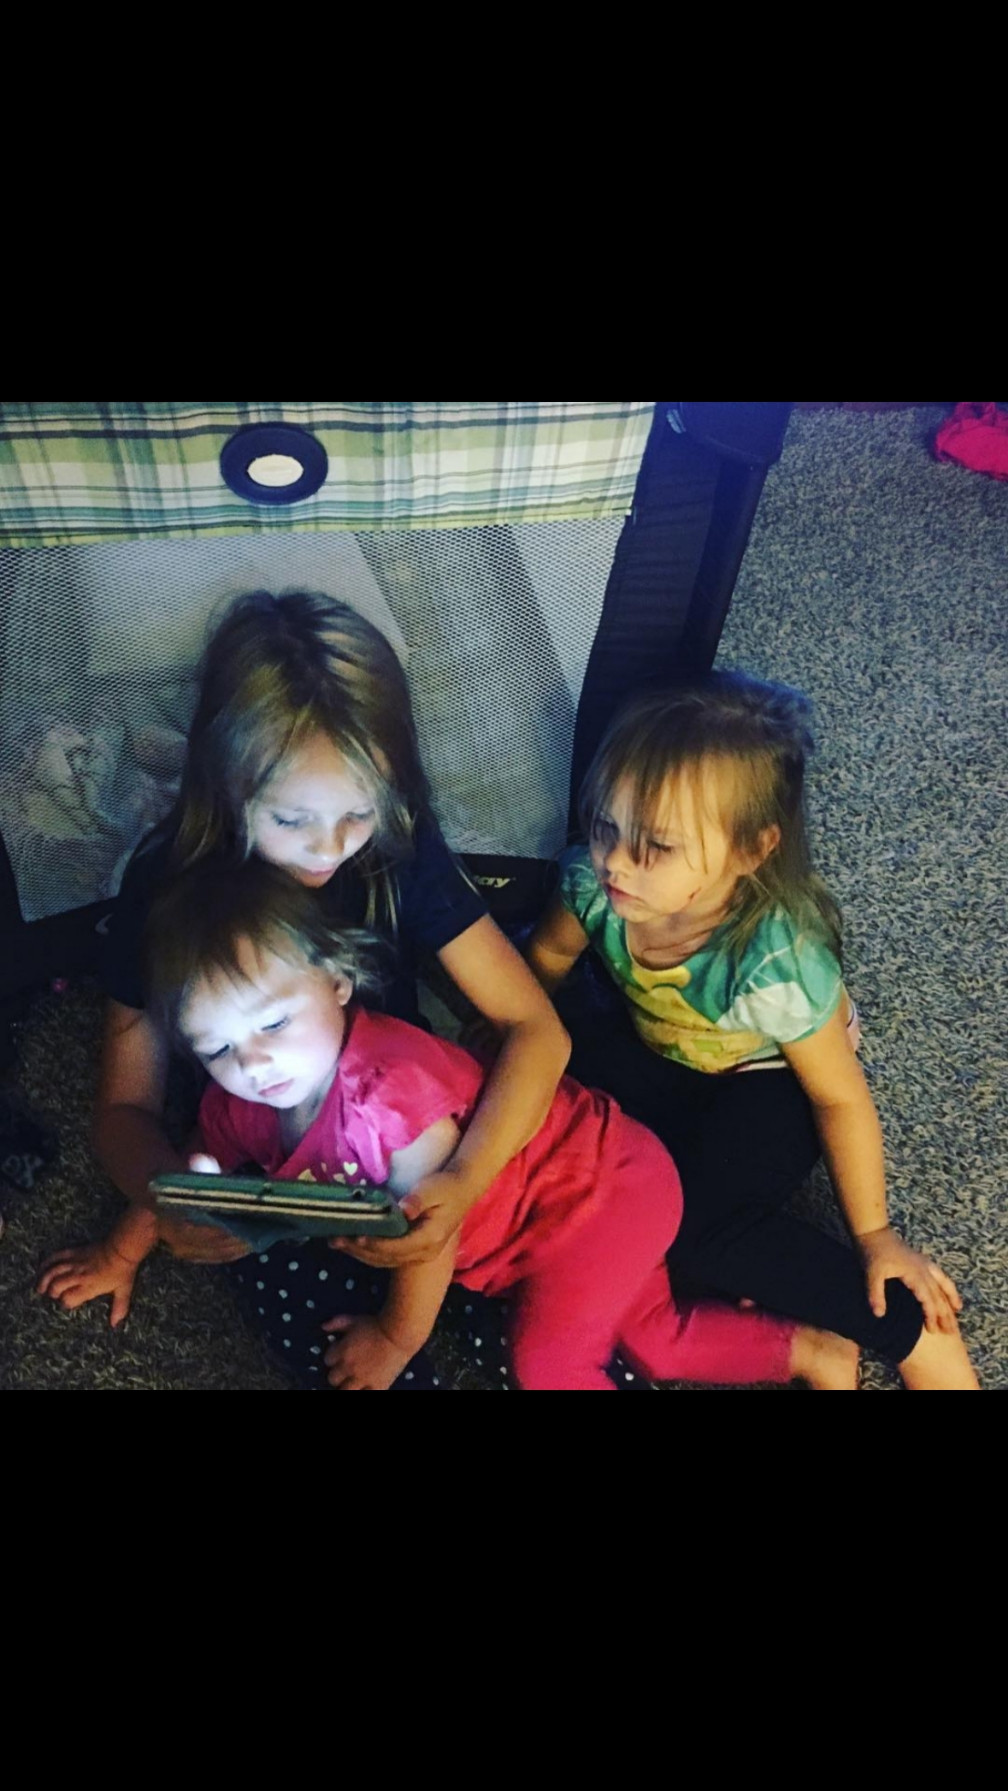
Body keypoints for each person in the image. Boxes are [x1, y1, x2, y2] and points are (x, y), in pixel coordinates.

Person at [80, 857, 858, 1390]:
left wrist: (394, 1339)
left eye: (274, 1022)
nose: (253, 1062)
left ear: (338, 979)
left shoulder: (389, 1098)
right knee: (652, 1333)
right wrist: (125, 1247)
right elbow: (194, 1167)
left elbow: (433, 1235)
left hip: (596, 1199)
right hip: (544, 1221)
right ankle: (810, 1351)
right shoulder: (239, 1101)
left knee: (547, 1363)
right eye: (216, 1046)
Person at [35, 590, 571, 1332]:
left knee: (541, 1242)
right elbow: (125, 1107)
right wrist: (167, 1201)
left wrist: (464, 1179)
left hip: (395, 1114)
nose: (330, 847)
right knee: (313, 1308)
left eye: (359, 811)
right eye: (292, 819)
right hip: (263, 1133)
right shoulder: (167, 887)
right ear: (228, 785)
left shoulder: (397, 848)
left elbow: (537, 1030)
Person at [524, 670, 980, 1390]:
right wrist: (515, 1035)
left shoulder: (777, 963)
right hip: (661, 1047)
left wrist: (875, 1235)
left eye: (655, 846)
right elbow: (548, 959)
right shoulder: (592, 885)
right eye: (606, 826)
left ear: (749, 850)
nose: (615, 860)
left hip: (771, 1081)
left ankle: (909, 1333)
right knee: (564, 1135)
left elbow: (839, 1097)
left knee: (696, 1226)